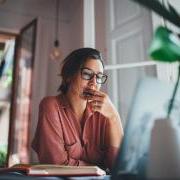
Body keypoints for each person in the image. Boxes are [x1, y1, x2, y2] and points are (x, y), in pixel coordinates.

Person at [32, 47, 123, 171]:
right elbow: (57, 165)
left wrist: (114, 117)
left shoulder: (104, 114)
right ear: (68, 76)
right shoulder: (51, 106)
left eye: (99, 76)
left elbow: (118, 167)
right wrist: (99, 168)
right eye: (87, 74)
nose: (94, 83)